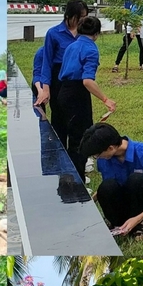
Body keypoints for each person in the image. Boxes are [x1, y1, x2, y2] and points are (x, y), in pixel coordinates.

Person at [79, 122, 143, 239]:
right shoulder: (104, 160)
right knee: (106, 186)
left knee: (136, 180)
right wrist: (89, 202)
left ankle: (139, 225)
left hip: (141, 203)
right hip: (121, 203)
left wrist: (138, 218)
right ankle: (117, 223)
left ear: (110, 148)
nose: (97, 158)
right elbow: (109, 186)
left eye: (97, 155)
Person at [56, 16, 116, 175]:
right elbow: (87, 81)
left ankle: (70, 174)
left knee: (69, 135)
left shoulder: (71, 46)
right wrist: (105, 99)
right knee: (80, 139)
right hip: (77, 95)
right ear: (96, 33)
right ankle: (78, 181)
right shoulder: (90, 49)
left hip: (63, 92)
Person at [34, 0, 89, 113]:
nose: (82, 20)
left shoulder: (85, 33)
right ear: (68, 15)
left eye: (85, 16)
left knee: (81, 116)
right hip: (59, 79)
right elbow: (47, 62)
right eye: (79, 17)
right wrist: (46, 88)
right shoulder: (53, 33)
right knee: (60, 115)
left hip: (79, 79)